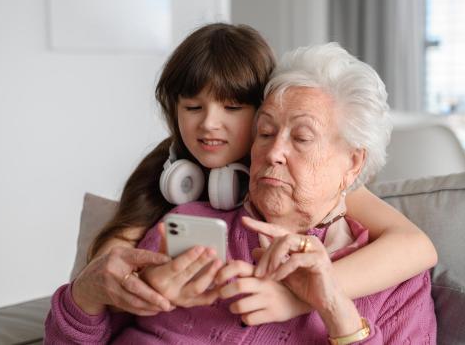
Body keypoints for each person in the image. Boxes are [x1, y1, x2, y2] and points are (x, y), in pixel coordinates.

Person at [45, 41, 437, 344]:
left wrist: (334, 306)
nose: (274, 151)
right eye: (264, 132)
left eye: (301, 137)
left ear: (352, 163)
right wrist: (85, 294)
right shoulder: (188, 223)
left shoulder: (393, 279)